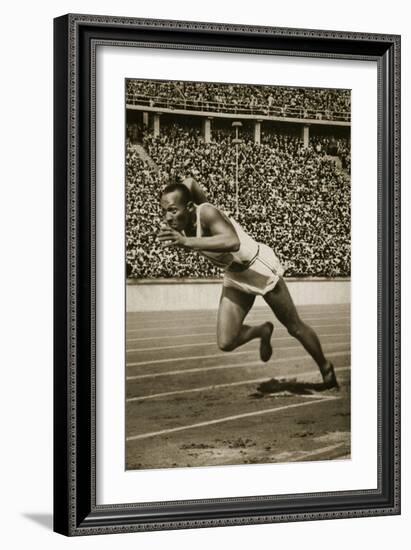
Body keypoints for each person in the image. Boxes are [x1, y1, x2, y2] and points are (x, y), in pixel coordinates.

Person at [158, 178, 338, 389]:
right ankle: (261, 331)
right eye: (164, 211)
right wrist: (180, 198)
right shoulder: (185, 223)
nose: (168, 217)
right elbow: (189, 182)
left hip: (258, 268)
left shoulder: (206, 213)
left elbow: (233, 242)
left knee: (294, 327)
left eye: (172, 210)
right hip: (235, 276)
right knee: (226, 342)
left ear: (188, 207)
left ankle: (326, 368)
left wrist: (187, 242)